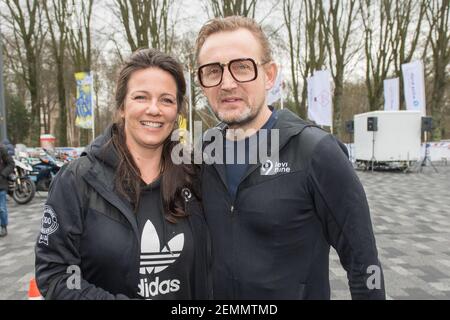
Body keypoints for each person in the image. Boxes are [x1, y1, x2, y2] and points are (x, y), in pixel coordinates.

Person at [195, 16, 385, 299]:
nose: (227, 83)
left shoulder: (317, 152)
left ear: (269, 75)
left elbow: (364, 265)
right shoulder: (201, 155)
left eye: (242, 67)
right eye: (213, 71)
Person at [35, 48, 211, 300]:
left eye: (166, 100)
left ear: (177, 112)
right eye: (141, 97)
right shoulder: (78, 179)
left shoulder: (196, 175)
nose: (154, 109)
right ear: (121, 107)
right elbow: (54, 275)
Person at [0, 143, 15, 237]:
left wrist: (3, 175)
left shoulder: (2, 150)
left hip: (1, 184)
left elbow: (11, 164)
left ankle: (3, 226)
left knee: (1, 208)